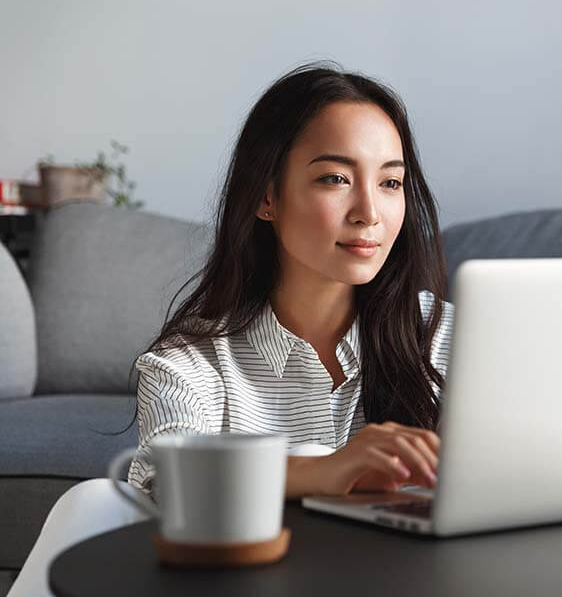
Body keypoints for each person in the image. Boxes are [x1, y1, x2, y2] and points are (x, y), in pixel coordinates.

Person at [9, 61, 453, 596]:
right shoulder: (190, 359)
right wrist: (325, 470)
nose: (369, 212)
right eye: (335, 178)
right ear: (267, 196)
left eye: (390, 182)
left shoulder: (449, 337)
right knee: (92, 503)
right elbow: (166, 481)